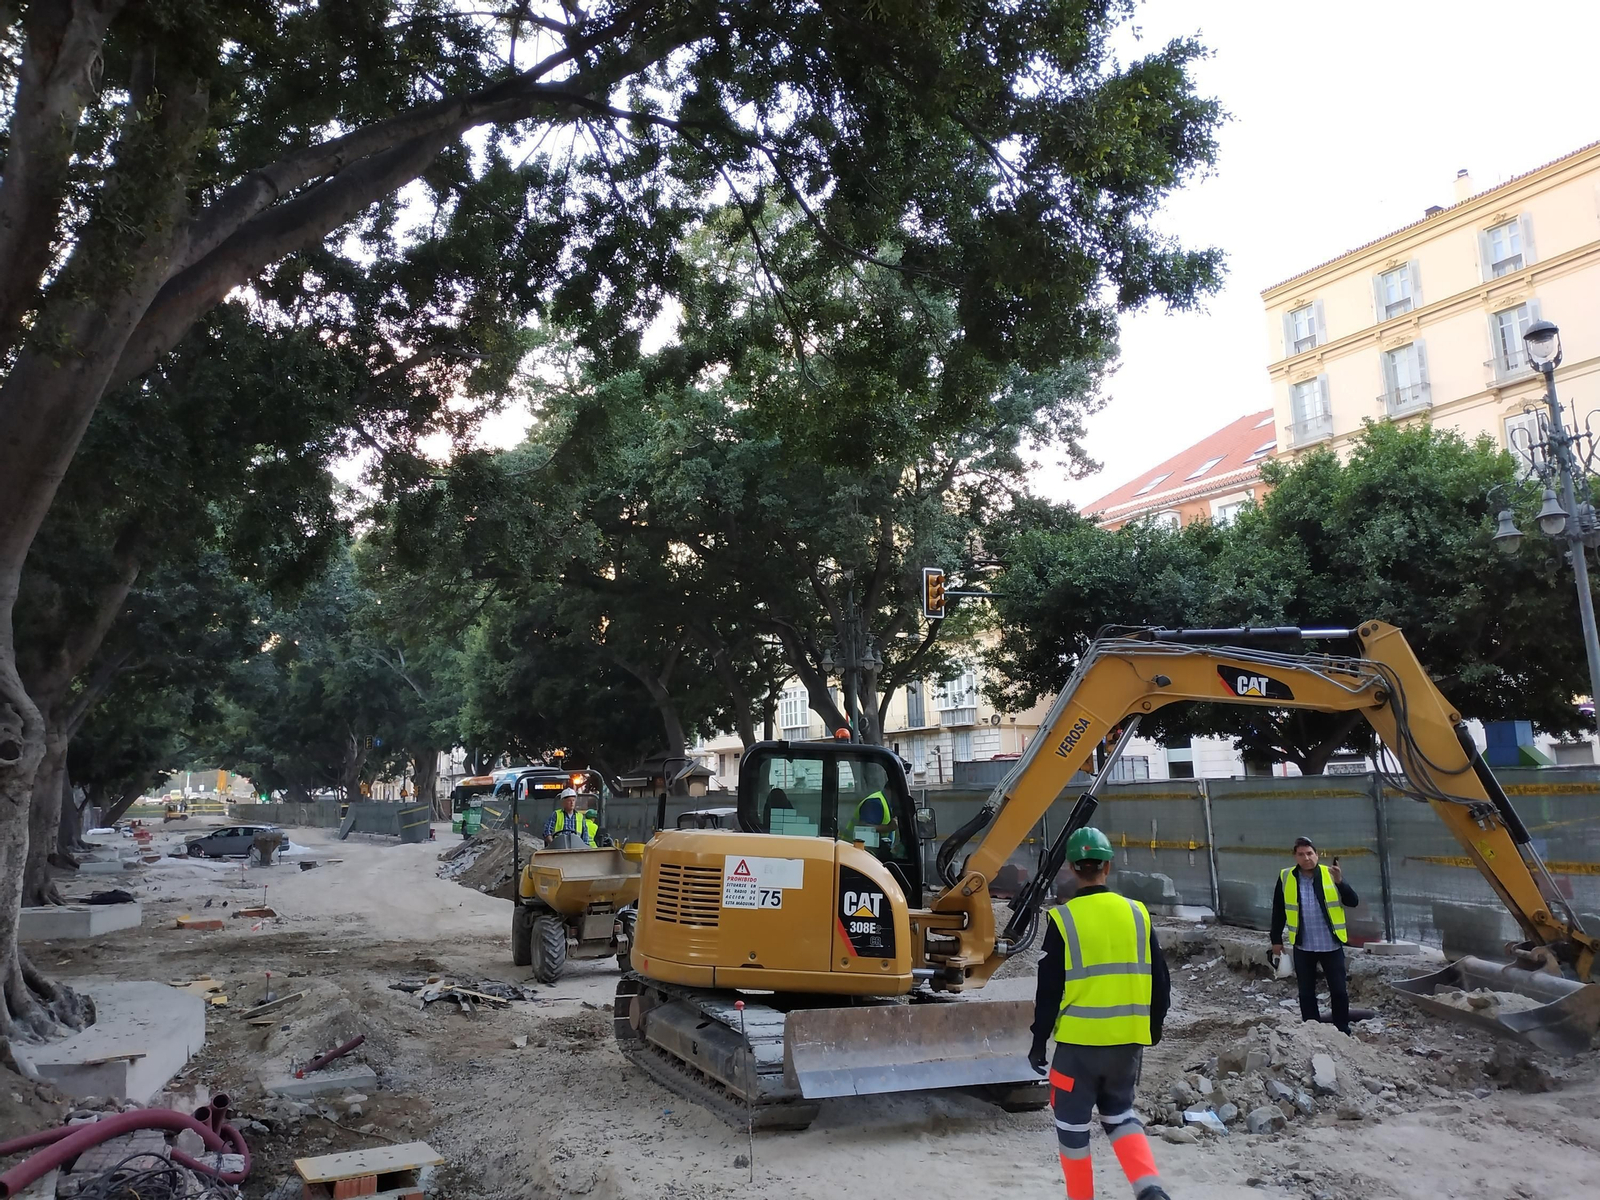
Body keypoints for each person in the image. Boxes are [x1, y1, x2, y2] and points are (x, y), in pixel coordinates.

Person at [1030, 827, 1171, 1200]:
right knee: (1121, 1114)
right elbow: (1161, 980)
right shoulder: (1137, 914)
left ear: (1072, 868)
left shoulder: (1063, 920)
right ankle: (1150, 1189)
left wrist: (1038, 1040)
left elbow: (1048, 991)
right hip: (1127, 1043)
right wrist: (1153, 1027)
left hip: (1078, 1047)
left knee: (1072, 1128)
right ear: (1107, 865)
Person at [1270, 835, 1360, 1034]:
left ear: (1317, 855)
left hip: (1331, 944)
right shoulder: (1286, 877)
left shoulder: (1330, 875)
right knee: (1306, 992)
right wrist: (1276, 940)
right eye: (1301, 854)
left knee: (1338, 990)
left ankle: (1342, 1030)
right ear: (1295, 857)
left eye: (1310, 853)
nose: (1306, 858)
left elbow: (1353, 901)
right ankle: (1312, 1030)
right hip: (1304, 945)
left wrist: (1340, 882)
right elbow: (1279, 910)